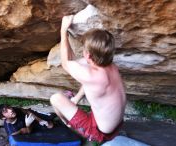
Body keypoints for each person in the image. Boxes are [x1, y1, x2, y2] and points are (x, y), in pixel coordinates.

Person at [50, 15, 126, 143]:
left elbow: (66, 63)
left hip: (99, 132)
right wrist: (76, 99)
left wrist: (63, 31)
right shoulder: (110, 66)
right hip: (116, 123)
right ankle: (75, 100)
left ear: (88, 55)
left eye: (84, 49)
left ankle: (68, 124)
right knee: (85, 86)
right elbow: (75, 63)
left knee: (55, 99)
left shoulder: (92, 76)